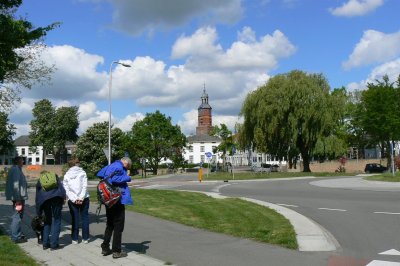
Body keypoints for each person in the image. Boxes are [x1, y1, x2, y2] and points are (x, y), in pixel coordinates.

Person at [97, 157, 133, 259]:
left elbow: (100, 174)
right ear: (125, 162)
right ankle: (116, 251)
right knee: (118, 226)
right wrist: (127, 177)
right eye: (127, 166)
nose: (127, 168)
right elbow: (114, 179)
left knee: (110, 224)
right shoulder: (119, 167)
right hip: (116, 198)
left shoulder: (111, 165)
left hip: (108, 199)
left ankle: (105, 247)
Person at [35, 171, 66, 250]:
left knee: (47, 221)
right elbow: (61, 188)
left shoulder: (40, 180)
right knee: (57, 220)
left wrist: (39, 212)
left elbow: (37, 196)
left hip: (45, 200)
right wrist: (63, 198)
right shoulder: (55, 176)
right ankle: (54, 244)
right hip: (57, 198)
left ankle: (45, 243)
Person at [63, 158, 90, 244]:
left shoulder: (66, 175)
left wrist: (74, 199)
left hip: (72, 200)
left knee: (75, 218)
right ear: (76, 164)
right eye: (78, 162)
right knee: (85, 217)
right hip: (84, 198)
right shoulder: (82, 173)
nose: (80, 163)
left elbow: (66, 189)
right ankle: (85, 238)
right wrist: (81, 198)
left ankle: (74, 238)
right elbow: (84, 186)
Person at [5, 156, 28, 243]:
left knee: (18, 216)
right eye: (22, 161)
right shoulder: (16, 170)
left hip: (18, 197)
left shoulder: (16, 169)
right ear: (19, 161)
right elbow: (15, 185)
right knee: (17, 216)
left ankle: (16, 234)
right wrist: (18, 198)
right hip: (18, 198)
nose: (23, 162)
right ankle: (15, 237)